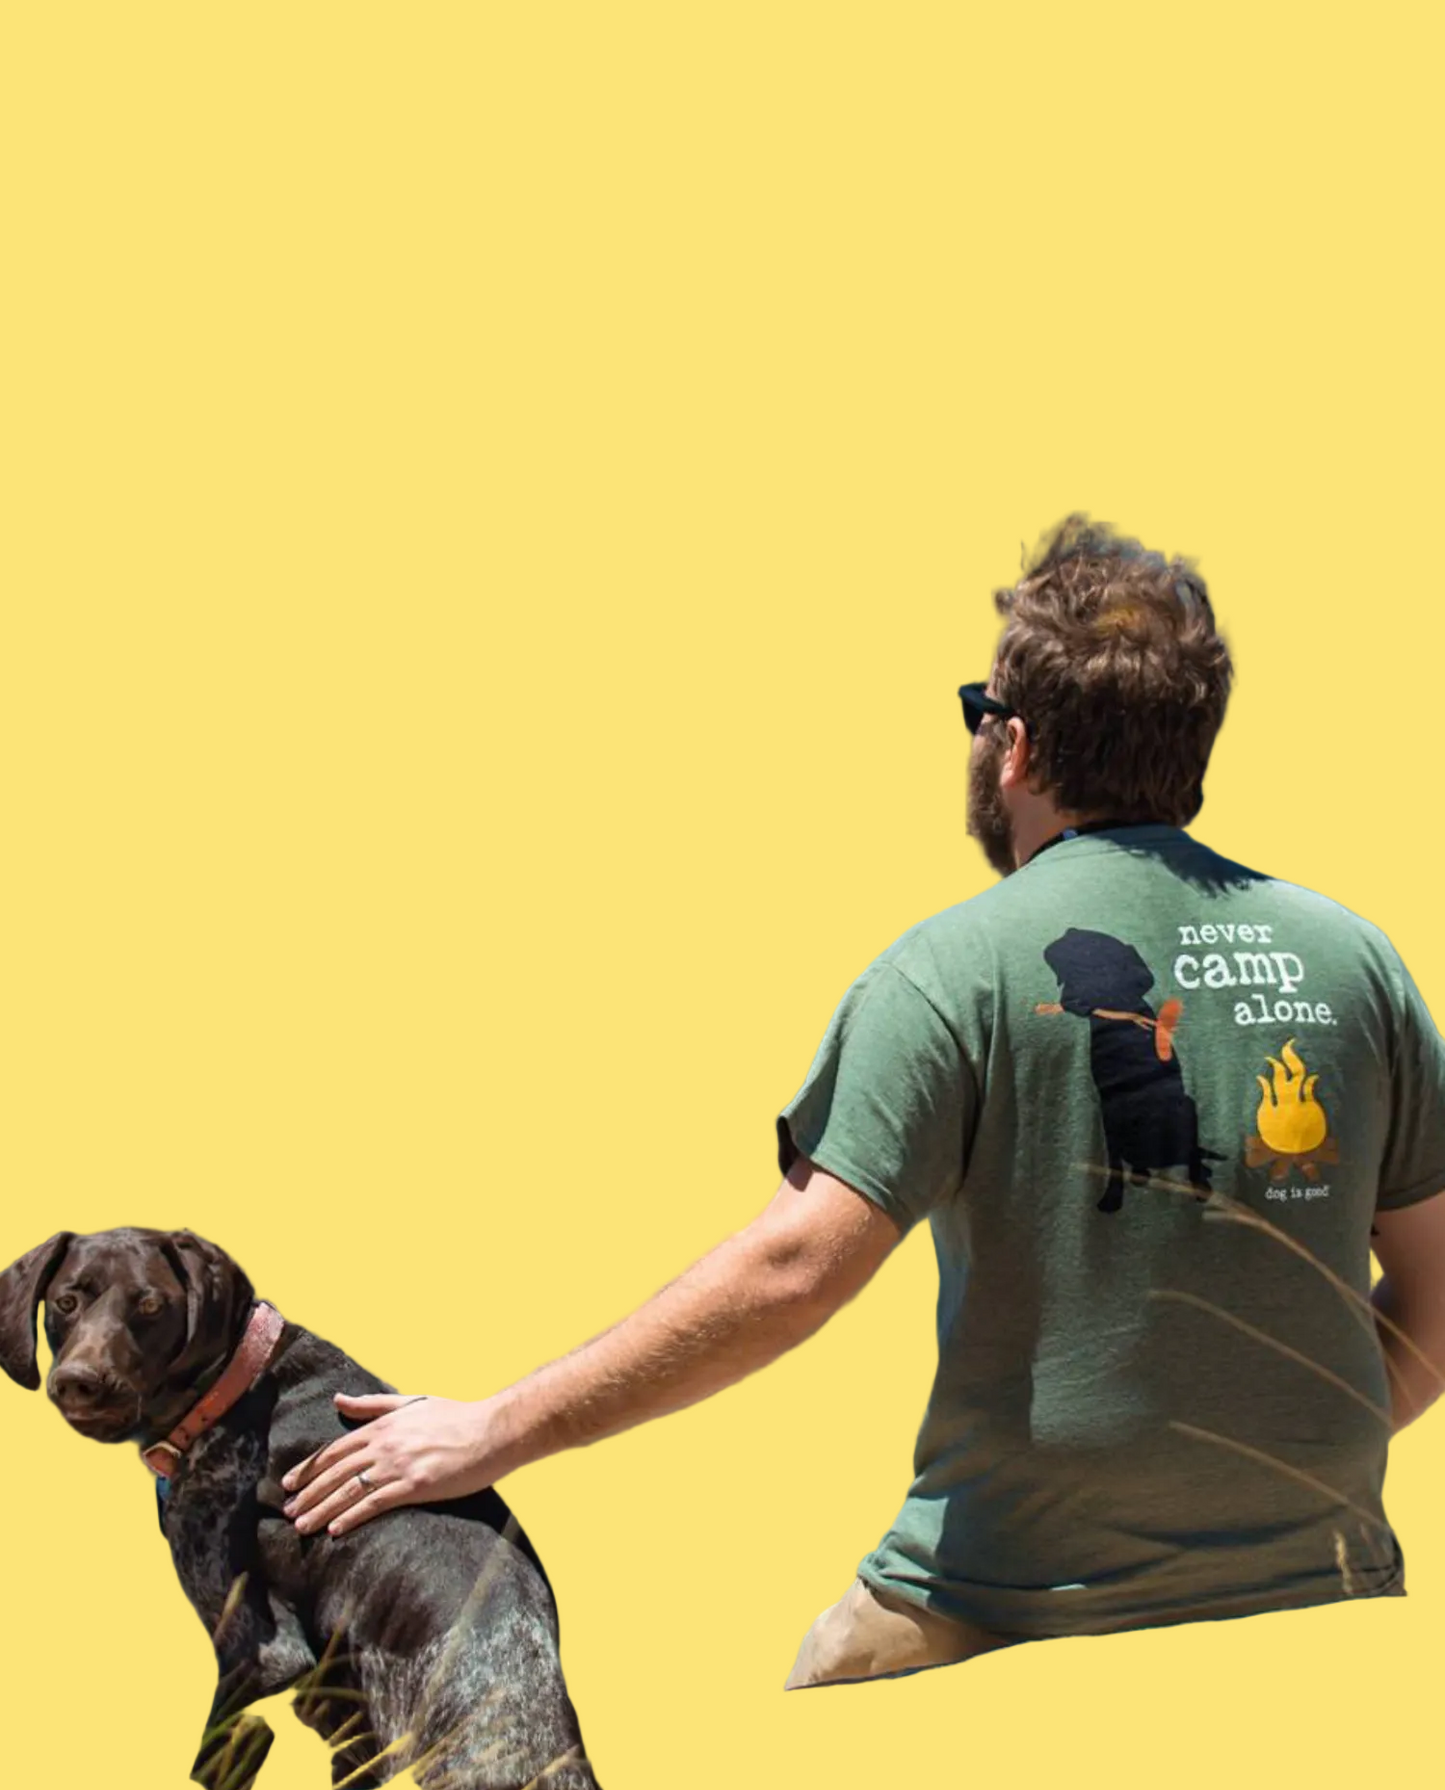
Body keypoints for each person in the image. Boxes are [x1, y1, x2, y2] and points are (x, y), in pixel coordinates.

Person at [283, 513, 1445, 1688]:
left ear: (1016, 747)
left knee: (801, 1707)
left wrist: (493, 1429)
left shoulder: (955, 969)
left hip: (1004, 1602)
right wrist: (1293, 1451)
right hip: (1323, 1593)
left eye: (978, 713)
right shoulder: (1352, 960)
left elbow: (793, 1271)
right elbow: (1438, 1295)